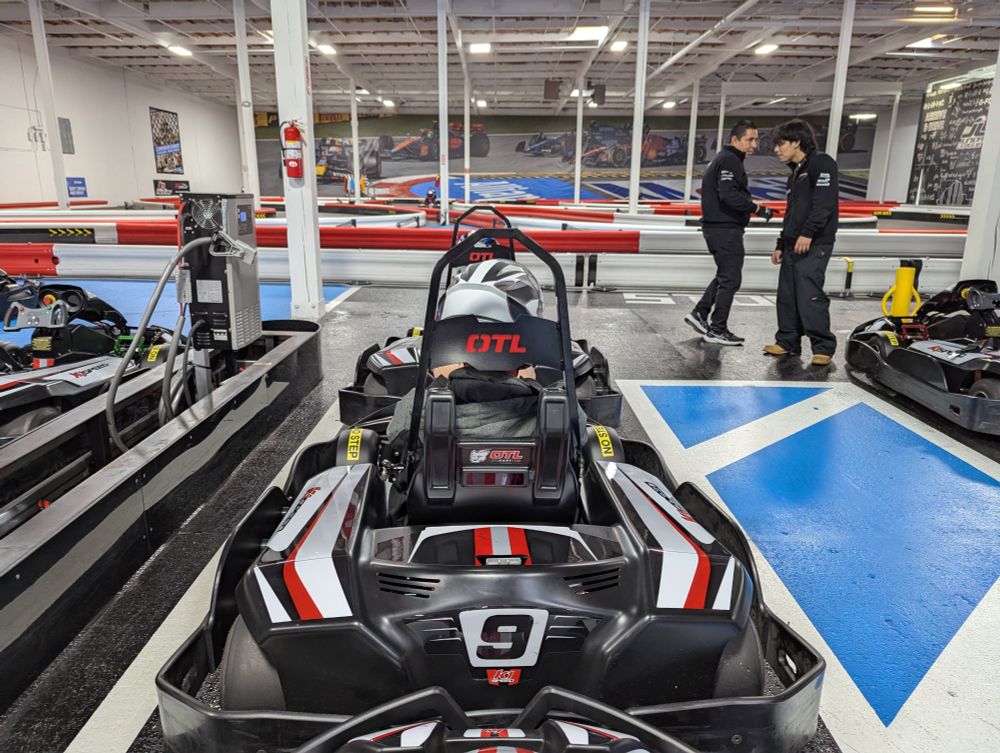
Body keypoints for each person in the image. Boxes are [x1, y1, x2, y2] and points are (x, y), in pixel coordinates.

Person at [686, 120, 773, 346]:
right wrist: (756, 208)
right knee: (731, 278)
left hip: (719, 227)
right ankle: (717, 329)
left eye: (756, 139)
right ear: (735, 140)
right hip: (724, 228)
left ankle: (700, 312)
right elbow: (728, 194)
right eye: (749, 140)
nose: (754, 144)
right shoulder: (730, 160)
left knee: (726, 275)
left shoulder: (726, 159)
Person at [765, 119, 838, 366]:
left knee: (809, 295)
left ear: (797, 142)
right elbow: (791, 213)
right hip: (793, 243)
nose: (776, 150)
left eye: (781, 144)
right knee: (787, 295)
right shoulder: (795, 173)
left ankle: (823, 346)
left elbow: (824, 205)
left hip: (814, 242)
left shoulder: (822, 163)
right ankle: (787, 341)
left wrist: (808, 233)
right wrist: (780, 243)